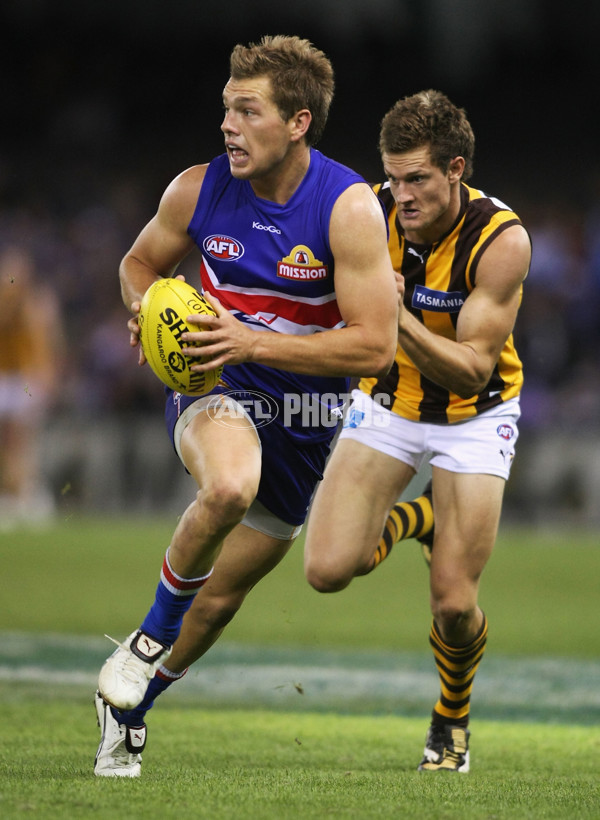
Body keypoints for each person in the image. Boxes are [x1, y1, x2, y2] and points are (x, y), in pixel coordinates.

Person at [93, 35, 398, 777]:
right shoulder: (197, 189)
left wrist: (252, 341)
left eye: (246, 110)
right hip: (215, 385)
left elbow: (374, 348)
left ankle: (129, 710)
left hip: (306, 424)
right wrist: (144, 308)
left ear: (297, 122)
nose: (227, 124)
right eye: (226, 108)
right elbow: (138, 263)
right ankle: (140, 644)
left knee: (220, 602)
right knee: (230, 484)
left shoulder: (348, 207)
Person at [304, 89, 531, 773]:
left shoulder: (502, 241)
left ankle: (451, 721)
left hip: (474, 416)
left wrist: (393, 319)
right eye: (393, 177)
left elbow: (468, 371)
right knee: (325, 570)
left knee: (455, 606)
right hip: (388, 404)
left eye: (418, 179)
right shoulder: (367, 213)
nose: (401, 194)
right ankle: (421, 521)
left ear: (456, 168)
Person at [0, 245, 64, 529]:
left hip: (25, 380)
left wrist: (49, 378)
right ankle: (17, 493)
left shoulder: (37, 302)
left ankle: (24, 494)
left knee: (19, 440)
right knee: (10, 441)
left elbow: (48, 343)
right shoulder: (8, 301)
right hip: (5, 377)